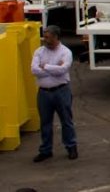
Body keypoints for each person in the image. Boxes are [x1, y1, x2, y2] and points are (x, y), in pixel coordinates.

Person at [30, 25, 77, 162]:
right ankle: (46, 150)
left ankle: (71, 147)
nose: (45, 40)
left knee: (66, 121)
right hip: (43, 93)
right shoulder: (39, 51)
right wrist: (54, 68)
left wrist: (44, 66)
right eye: (45, 37)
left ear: (56, 37)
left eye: (48, 37)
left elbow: (63, 70)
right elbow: (34, 70)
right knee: (45, 123)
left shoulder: (65, 52)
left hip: (61, 91)